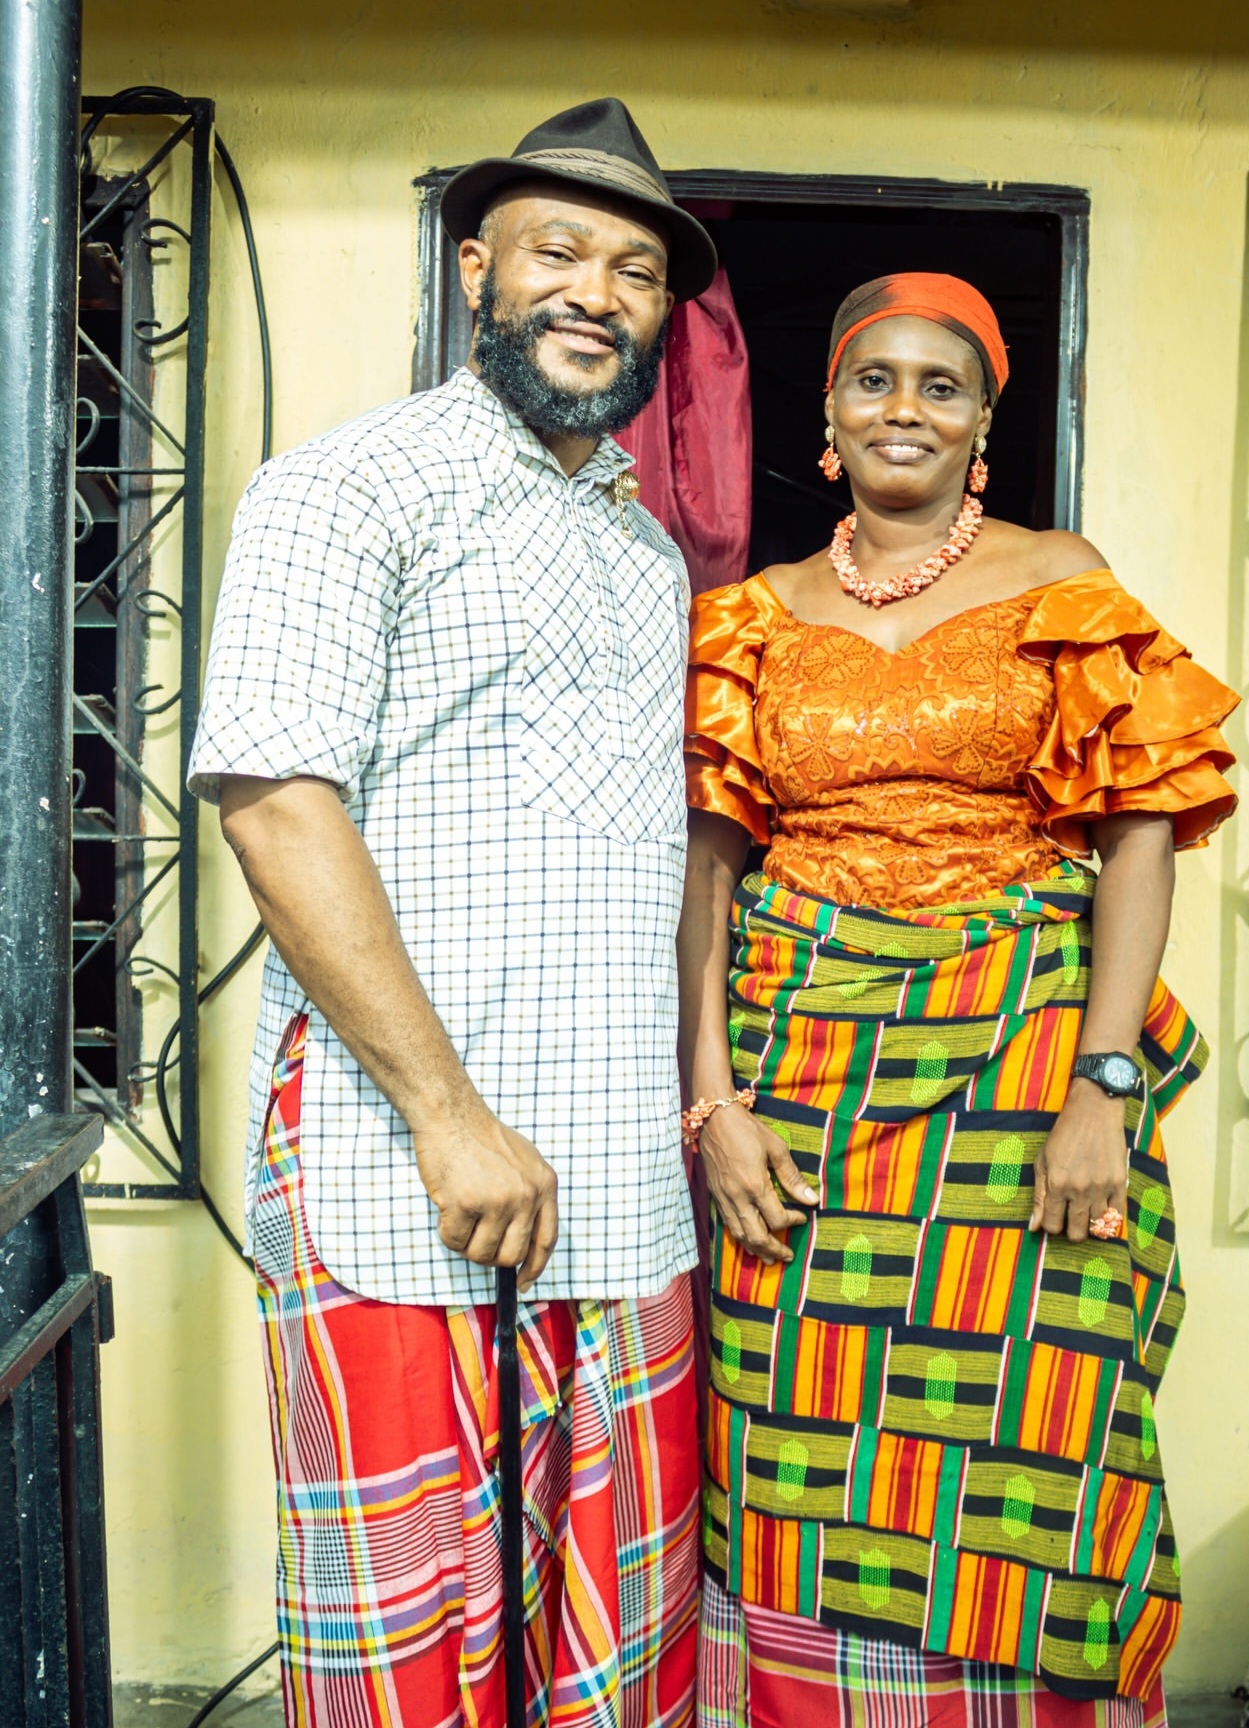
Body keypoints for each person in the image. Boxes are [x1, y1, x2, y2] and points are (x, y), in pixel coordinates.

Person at [188, 98, 716, 1728]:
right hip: (404, 1160)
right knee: (410, 1645)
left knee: (607, 1645)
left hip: (614, 1179)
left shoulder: (650, 555)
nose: (595, 294)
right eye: (559, 252)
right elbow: (275, 804)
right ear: (476, 267)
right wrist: (447, 1114)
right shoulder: (349, 487)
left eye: (635, 272)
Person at [678, 273, 1239, 1727]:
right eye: (875, 380)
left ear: (986, 421)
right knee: (786, 1413)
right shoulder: (748, 617)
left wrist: (1103, 1087)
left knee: (1039, 1410)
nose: (904, 410)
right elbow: (707, 870)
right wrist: (712, 1105)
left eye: (943, 387)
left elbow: (1138, 832)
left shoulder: (1061, 580)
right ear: (829, 408)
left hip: (1020, 1063)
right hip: (801, 1071)